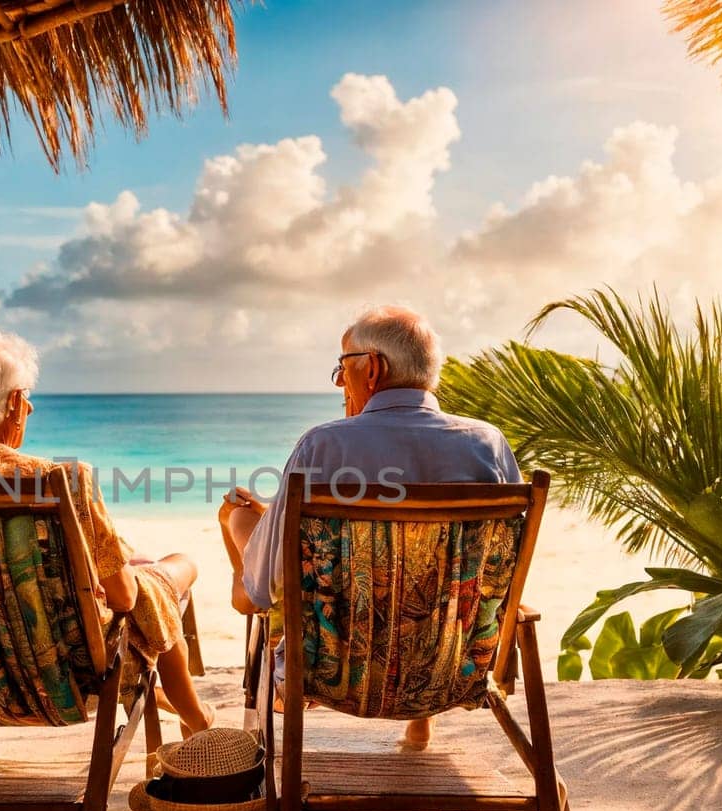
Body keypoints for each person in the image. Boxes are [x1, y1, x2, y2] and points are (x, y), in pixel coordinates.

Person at [219, 305, 522, 750]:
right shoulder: (487, 444)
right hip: (451, 668)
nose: (340, 383)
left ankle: (249, 529)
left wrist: (249, 528)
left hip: (336, 670)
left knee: (237, 516)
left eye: (342, 368)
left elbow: (266, 590)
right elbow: (500, 570)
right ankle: (423, 719)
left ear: (373, 368)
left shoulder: (323, 445)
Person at [0, 330, 213, 759]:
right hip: (63, 670)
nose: (28, 407)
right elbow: (121, 596)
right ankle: (198, 721)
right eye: (25, 397)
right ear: (13, 403)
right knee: (165, 576)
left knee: (142, 573)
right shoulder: (63, 480)